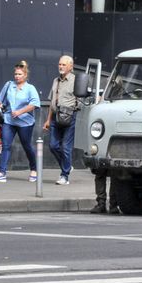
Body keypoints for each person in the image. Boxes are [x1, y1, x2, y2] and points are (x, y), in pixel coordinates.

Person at [0, 61, 40, 183]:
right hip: (9, 120)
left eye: (19, 74)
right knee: (6, 145)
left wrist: (20, 112)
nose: (17, 76)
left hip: (25, 122)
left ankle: (34, 169)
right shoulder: (9, 85)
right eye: (15, 74)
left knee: (26, 145)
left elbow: (35, 104)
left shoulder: (30, 88)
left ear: (25, 75)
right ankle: (2, 172)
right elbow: (0, 101)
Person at [42, 55, 80, 186]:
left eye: (64, 65)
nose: (61, 67)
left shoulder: (76, 80)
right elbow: (52, 102)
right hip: (55, 117)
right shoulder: (56, 81)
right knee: (53, 146)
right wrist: (47, 120)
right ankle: (67, 165)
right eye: (59, 64)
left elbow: (82, 99)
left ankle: (64, 175)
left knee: (66, 147)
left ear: (71, 66)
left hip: (69, 116)